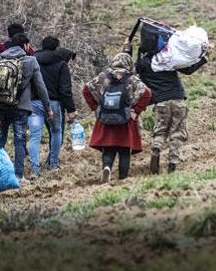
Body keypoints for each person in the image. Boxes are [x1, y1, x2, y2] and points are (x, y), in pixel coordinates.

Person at [124, 39, 206, 174]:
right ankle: (173, 163)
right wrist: (204, 56)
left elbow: (128, 70)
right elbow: (189, 69)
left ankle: (156, 148)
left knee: (160, 130)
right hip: (178, 99)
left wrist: (127, 50)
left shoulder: (144, 62)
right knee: (177, 132)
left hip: (160, 102)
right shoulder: (170, 58)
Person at [83, 53, 151, 183]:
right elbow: (147, 93)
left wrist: (96, 108)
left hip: (106, 118)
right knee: (124, 150)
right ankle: (123, 179)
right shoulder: (131, 79)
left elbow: (86, 90)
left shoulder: (103, 77)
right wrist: (136, 111)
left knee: (108, 149)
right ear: (128, 64)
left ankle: (107, 168)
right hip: (125, 120)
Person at [0, 33, 52, 180]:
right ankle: (18, 175)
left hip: (2, 106)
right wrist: (48, 108)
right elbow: (41, 87)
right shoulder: (31, 61)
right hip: (21, 107)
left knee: (0, 138)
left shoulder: (0, 59)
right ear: (25, 46)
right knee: (19, 140)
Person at [28, 37, 77, 174]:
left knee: (34, 136)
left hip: (34, 103)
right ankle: (53, 164)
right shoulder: (61, 63)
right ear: (56, 48)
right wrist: (71, 109)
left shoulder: (31, 60)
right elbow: (65, 89)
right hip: (54, 104)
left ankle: (35, 169)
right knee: (56, 132)